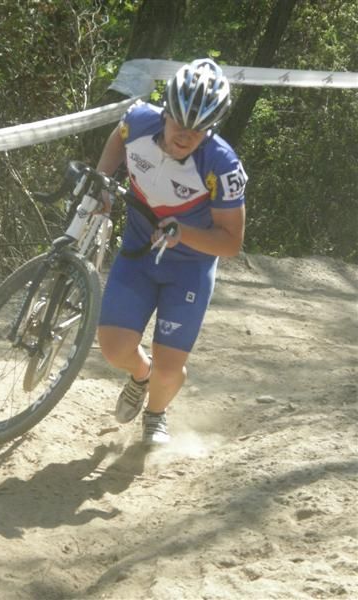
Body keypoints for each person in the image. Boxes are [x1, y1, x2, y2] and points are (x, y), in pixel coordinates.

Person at [96, 58, 247, 445]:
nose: (185, 135)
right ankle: (140, 375)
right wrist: (103, 181)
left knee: (170, 367)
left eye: (199, 129)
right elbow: (118, 138)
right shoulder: (139, 120)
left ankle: (156, 414)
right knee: (114, 349)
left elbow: (231, 242)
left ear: (212, 127)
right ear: (165, 112)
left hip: (188, 269)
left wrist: (185, 234)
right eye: (180, 122)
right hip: (139, 252)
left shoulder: (221, 165)